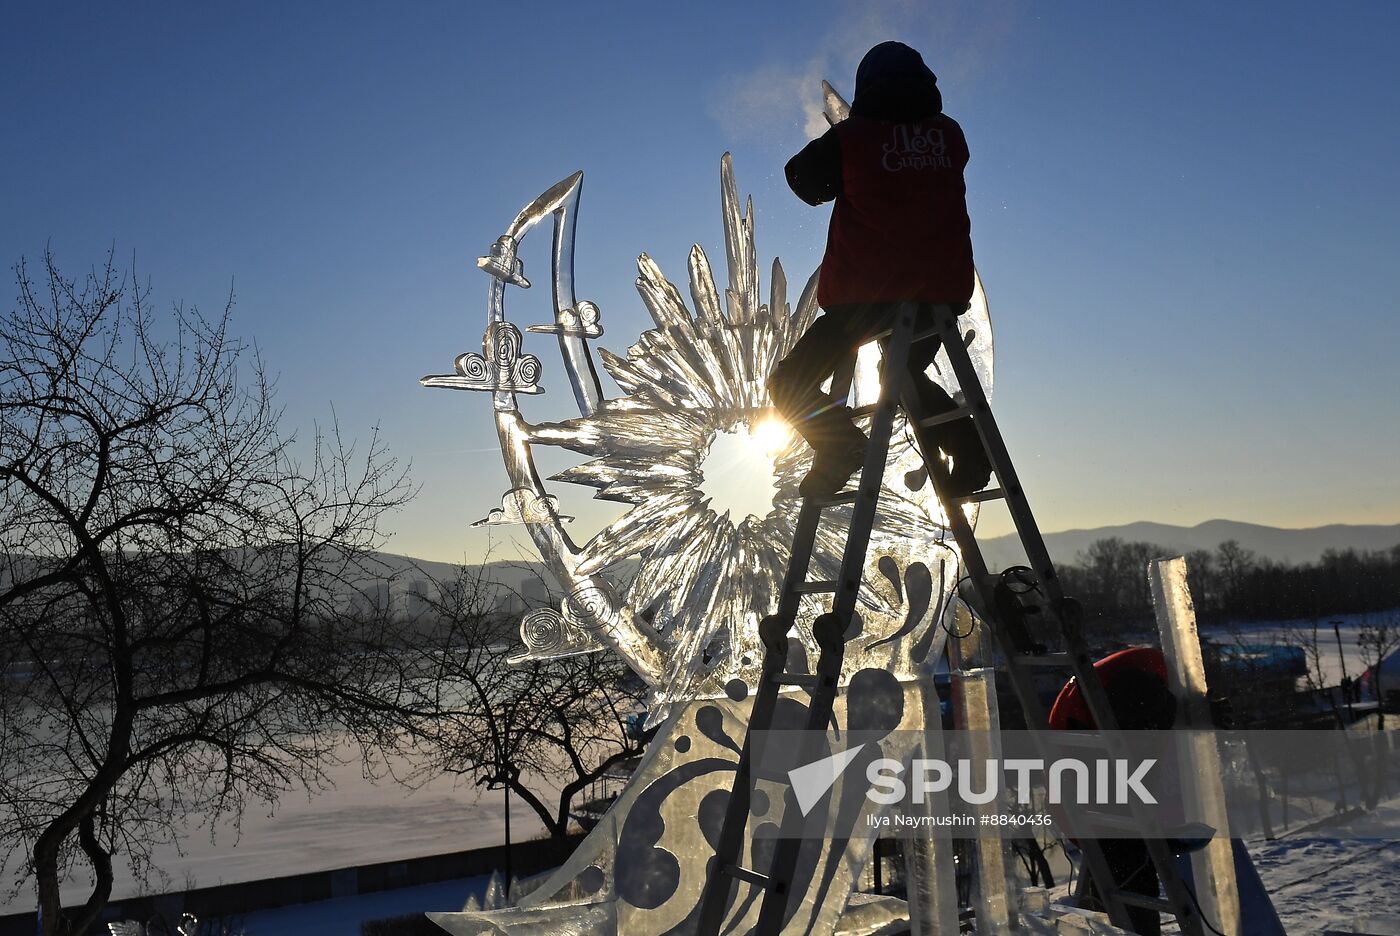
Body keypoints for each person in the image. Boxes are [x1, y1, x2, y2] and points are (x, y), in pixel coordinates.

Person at [768, 40, 992, 499]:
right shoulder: (950, 136)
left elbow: (803, 180)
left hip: (865, 297)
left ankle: (840, 445)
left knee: (788, 383)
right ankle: (970, 450)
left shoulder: (854, 138)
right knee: (902, 377)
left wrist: (844, 134)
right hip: (940, 294)